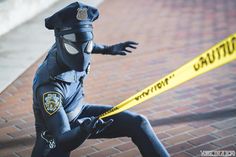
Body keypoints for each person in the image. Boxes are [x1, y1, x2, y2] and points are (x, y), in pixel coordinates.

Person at [31, 2, 169, 157]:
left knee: (138, 123)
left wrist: (107, 49)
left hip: (80, 114)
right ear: (60, 43)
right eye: (74, 46)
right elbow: (63, 138)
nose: (83, 53)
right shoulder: (49, 88)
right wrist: (84, 130)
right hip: (55, 139)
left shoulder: (68, 45)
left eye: (86, 45)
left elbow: (83, 42)